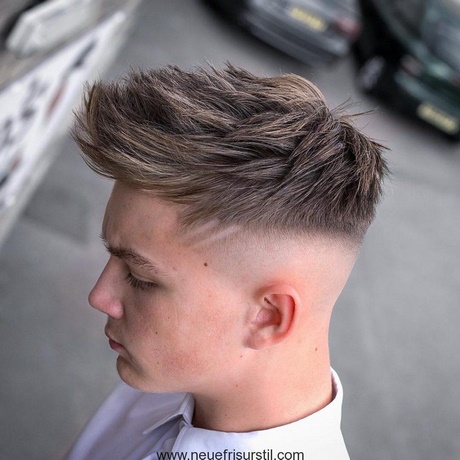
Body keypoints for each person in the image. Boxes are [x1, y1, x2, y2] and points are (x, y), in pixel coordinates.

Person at [64, 64, 387, 460]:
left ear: (268, 316)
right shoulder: (174, 373)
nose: (99, 296)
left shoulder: (173, 363)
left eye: (139, 277)